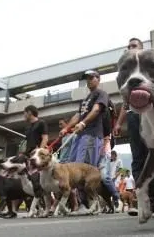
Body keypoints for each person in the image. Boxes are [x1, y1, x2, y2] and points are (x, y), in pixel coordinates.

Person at [113, 38, 154, 216]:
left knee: (153, 155)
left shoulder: (150, 68)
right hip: (133, 117)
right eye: (129, 46)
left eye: (134, 46)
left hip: (149, 114)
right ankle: (142, 201)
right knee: (138, 157)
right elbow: (125, 102)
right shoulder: (126, 72)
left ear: (142, 49)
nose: (130, 48)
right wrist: (118, 123)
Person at [60, 69, 115, 213]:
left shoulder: (101, 94)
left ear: (98, 79)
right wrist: (68, 127)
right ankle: (84, 203)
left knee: (85, 170)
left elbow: (96, 110)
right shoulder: (85, 99)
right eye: (87, 79)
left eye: (92, 78)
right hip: (79, 135)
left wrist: (84, 123)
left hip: (91, 135)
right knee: (72, 169)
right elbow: (78, 115)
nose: (89, 81)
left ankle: (91, 203)